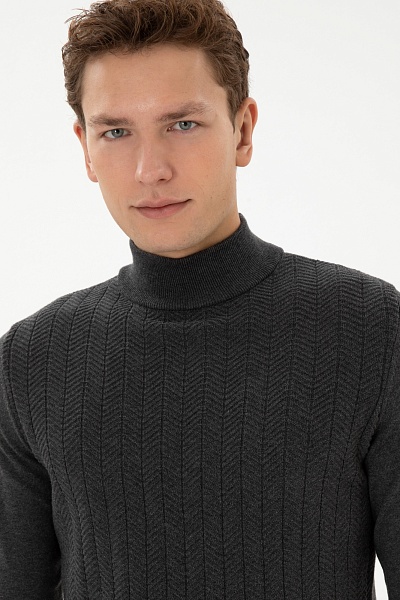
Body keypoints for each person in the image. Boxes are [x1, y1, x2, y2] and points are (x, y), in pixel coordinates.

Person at [0, 0, 399, 597]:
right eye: (116, 132)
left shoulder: (369, 329)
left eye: (182, 124)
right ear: (85, 148)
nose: (150, 169)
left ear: (243, 129)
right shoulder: (32, 361)